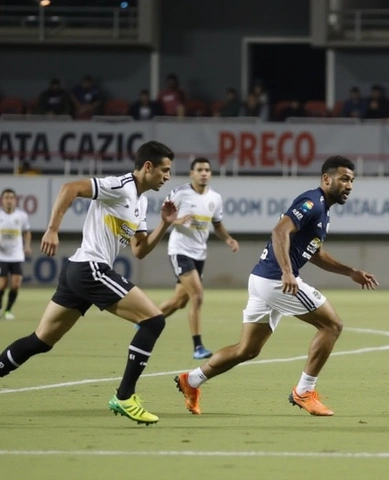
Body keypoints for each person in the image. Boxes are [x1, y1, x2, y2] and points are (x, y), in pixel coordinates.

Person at [174, 156, 379, 417]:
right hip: (275, 280)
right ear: (326, 179)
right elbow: (279, 231)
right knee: (332, 325)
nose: (349, 185)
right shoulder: (312, 202)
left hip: (262, 280)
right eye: (344, 179)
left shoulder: (323, 211)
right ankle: (304, 391)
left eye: (351, 180)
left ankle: (190, 381)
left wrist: (350, 272)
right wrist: (287, 272)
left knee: (246, 350)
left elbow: (314, 253)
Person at [0, 141, 178, 426]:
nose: (168, 177)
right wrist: (52, 229)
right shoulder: (119, 186)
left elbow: (140, 250)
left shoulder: (141, 201)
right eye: (165, 170)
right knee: (153, 320)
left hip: (78, 271)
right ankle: (125, 396)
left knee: (40, 341)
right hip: (90, 268)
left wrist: (165, 225)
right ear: (148, 167)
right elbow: (70, 188)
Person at [159, 157, 239, 360]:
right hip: (180, 250)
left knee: (178, 302)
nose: (204, 173)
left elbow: (218, 225)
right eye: (200, 170)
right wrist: (176, 220)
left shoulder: (215, 198)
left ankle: (146, 318)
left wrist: (228, 239)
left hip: (199, 253)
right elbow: (165, 217)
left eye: (207, 170)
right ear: (191, 173)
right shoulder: (180, 193)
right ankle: (198, 347)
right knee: (198, 295)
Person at [0, 189, 32, 320]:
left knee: (16, 284)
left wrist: (27, 245)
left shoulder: (21, 215)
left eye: (11, 197)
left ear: (15, 200)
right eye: (6, 197)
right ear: (2, 200)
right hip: (1, 255)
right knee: (2, 284)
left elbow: (27, 231)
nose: (9, 200)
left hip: (16, 254)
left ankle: (8, 310)